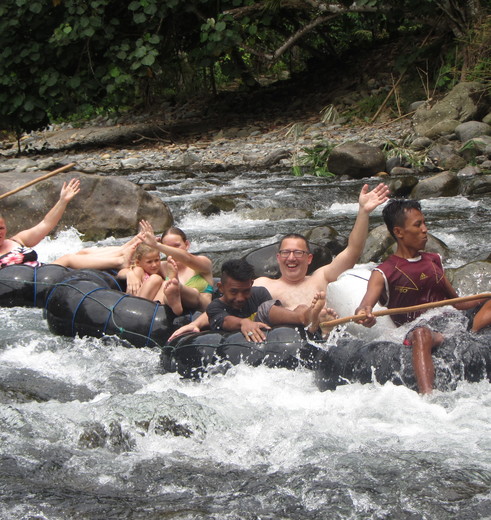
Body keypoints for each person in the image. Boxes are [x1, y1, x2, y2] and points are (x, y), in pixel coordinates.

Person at [168, 182, 389, 339]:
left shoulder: (322, 276)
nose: (291, 257)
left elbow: (353, 250)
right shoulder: (264, 284)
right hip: (283, 340)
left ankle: (315, 318)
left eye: (298, 253)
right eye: (286, 253)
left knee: (315, 316)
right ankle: (311, 316)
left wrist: (363, 212)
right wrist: (196, 324)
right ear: (278, 258)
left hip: (323, 336)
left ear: (309, 258)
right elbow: (225, 304)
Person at [354, 198, 491, 394]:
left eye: (424, 223)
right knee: (422, 334)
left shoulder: (433, 260)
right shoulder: (384, 272)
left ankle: (472, 337)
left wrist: (484, 298)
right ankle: (428, 395)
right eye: (418, 225)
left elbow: (457, 303)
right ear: (398, 232)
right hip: (415, 329)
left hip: (451, 322)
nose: (425, 229)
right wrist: (364, 315)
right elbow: (364, 306)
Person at [207, 259, 330, 342]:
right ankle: (306, 318)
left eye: (246, 291)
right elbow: (226, 321)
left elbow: (276, 315)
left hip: (269, 332)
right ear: (221, 288)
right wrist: (243, 322)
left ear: (251, 284)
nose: (240, 298)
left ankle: (308, 317)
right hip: (235, 344)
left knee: (291, 308)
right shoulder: (214, 307)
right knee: (264, 309)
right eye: (233, 292)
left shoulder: (258, 293)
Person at [125, 220, 214, 314]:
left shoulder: (203, 262)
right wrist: (132, 274)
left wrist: (156, 245)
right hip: (172, 310)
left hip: (200, 307)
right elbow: (130, 268)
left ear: (187, 244)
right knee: (163, 284)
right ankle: (173, 294)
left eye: (177, 246)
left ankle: (177, 287)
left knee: (193, 292)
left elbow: (187, 258)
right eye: (168, 247)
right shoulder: (163, 266)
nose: (172, 250)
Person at [0, 178, 80, 269]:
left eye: (1, 228)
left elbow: (46, 223)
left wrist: (62, 201)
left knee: (84, 252)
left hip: (44, 273)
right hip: (21, 280)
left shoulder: (18, 240)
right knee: (68, 259)